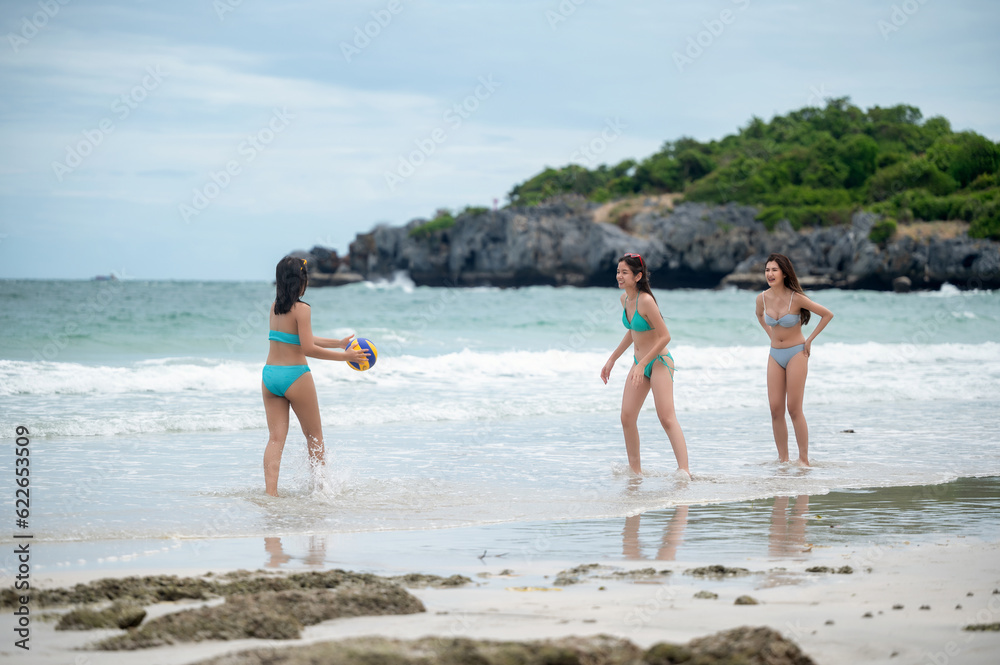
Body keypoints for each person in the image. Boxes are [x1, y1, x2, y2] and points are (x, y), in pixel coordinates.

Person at [262, 256, 369, 496]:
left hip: (270, 377)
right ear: (302, 280)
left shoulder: (274, 307)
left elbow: (299, 338)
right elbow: (308, 348)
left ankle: (271, 495)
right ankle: (321, 490)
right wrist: (346, 357)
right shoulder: (303, 309)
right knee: (314, 436)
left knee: (275, 439)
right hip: (295, 376)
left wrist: (339, 343)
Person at [601, 253, 690, 476]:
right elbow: (633, 332)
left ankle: (684, 471)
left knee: (666, 417)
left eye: (624, 273)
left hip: (659, 362)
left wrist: (642, 365)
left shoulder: (646, 301)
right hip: (638, 362)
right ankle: (635, 472)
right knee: (627, 417)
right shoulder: (625, 300)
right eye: (618, 271)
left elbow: (665, 336)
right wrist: (612, 359)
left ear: (638, 276)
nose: (619, 276)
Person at [755, 253, 834, 467]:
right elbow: (760, 316)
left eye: (774, 270)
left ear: (784, 272)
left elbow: (827, 314)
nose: (769, 274)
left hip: (796, 353)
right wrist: (771, 335)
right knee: (775, 409)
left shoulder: (796, 298)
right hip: (775, 355)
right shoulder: (761, 298)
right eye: (767, 270)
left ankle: (803, 460)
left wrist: (809, 341)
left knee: (794, 408)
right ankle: (783, 460)